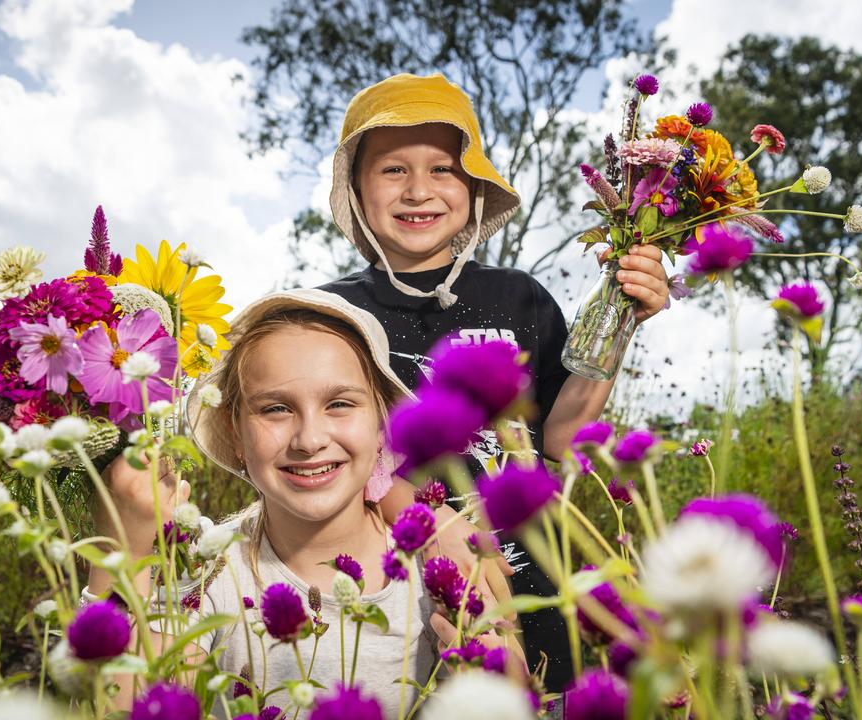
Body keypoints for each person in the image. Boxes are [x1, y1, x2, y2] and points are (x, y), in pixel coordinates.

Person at [318, 73, 671, 693]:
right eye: (393, 170)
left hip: (535, 579)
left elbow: (561, 438)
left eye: (443, 169)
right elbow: (337, 465)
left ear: (474, 187)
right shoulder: (331, 316)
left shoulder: (520, 299)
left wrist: (622, 318)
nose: (419, 191)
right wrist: (440, 536)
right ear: (357, 188)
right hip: (396, 592)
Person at [88, 289, 513, 717]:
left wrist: (492, 684)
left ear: (382, 425)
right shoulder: (211, 572)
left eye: (340, 404)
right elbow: (124, 705)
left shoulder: (441, 566)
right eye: (275, 409)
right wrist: (121, 551)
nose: (309, 440)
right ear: (236, 434)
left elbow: (514, 688)